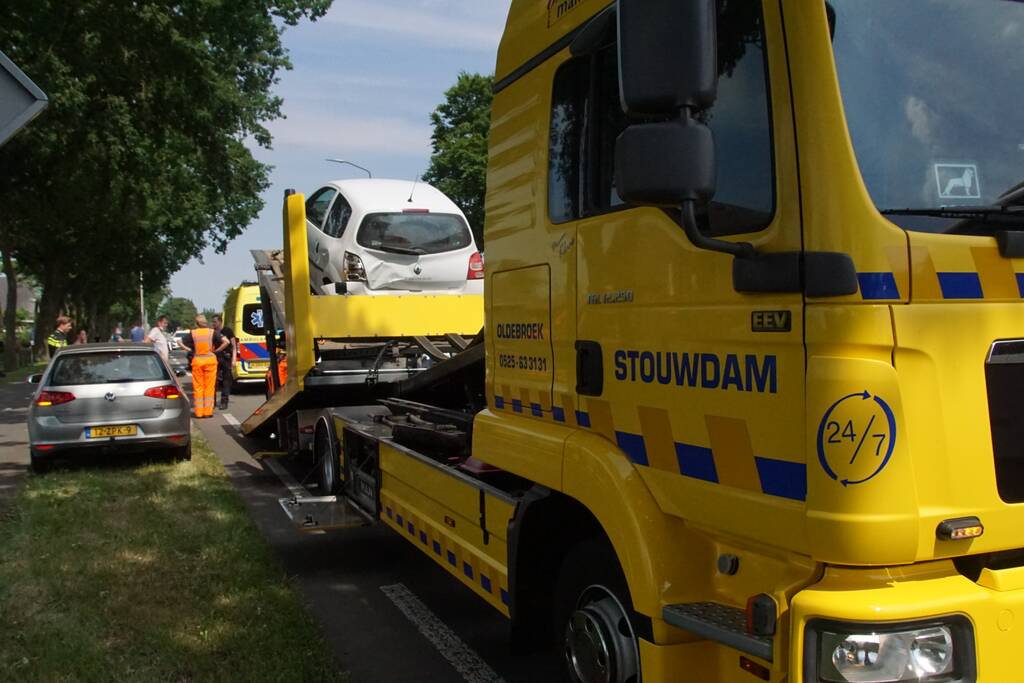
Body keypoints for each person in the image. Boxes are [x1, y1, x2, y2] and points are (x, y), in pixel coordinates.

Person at [178, 315, 227, 418]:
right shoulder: (212, 332)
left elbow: (179, 342)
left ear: (197, 324)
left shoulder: (193, 333)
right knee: (209, 387)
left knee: (198, 387)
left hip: (198, 361)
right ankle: (208, 412)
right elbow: (226, 341)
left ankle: (199, 412)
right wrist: (216, 351)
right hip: (210, 361)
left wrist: (190, 350)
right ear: (206, 322)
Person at [212, 314, 237, 410]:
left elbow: (234, 345)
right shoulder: (213, 332)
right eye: (212, 322)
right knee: (214, 381)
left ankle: (224, 401)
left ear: (220, 322)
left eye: (215, 322)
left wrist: (234, 359)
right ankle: (212, 402)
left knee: (227, 381)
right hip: (215, 358)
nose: (213, 323)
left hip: (226, 358)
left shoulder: (227, 331)